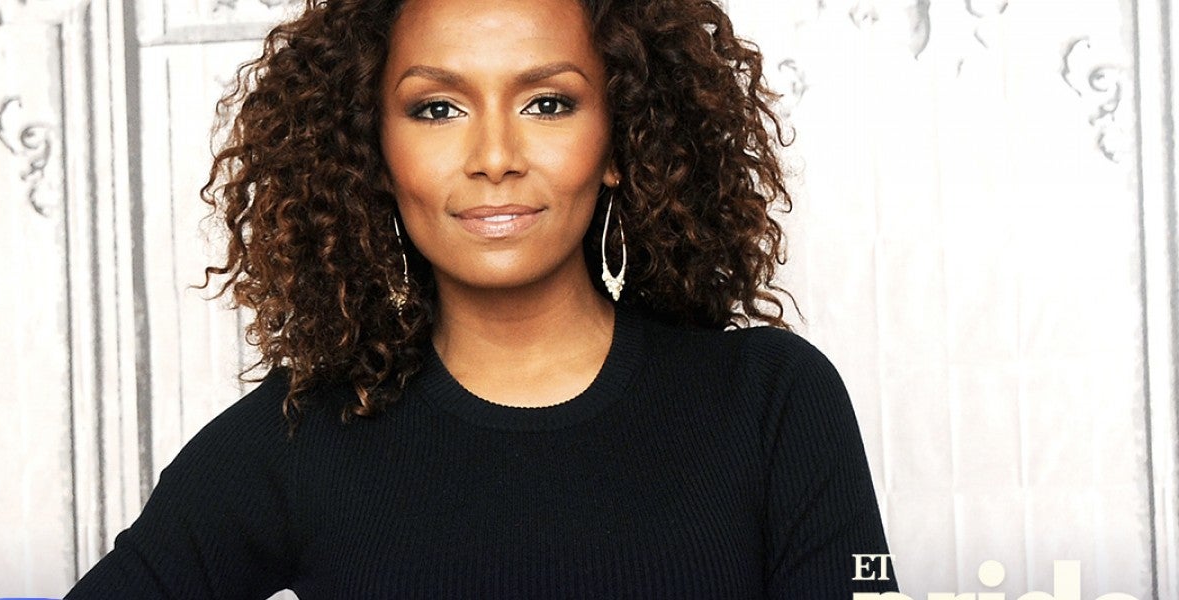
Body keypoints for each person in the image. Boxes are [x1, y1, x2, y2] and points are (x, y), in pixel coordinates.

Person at [66, 0, 898, 597]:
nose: (494, 155)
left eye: (547, 103)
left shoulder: (771, 403)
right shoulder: (301, 436)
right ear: (374, 154)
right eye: (437, 108)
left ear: (618, 140)